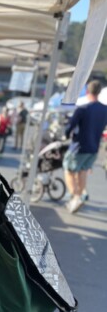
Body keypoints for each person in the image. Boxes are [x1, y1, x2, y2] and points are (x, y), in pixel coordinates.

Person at [63, 80, 107, 214]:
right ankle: (80, 196)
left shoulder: (82, 109)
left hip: (79, 146)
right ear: (99, 92)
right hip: (94, 147)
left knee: (68, 169)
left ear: (88, 91)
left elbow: (69, 128)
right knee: (82, 171)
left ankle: (75, 197)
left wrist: (66, 135)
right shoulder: (105, 110)